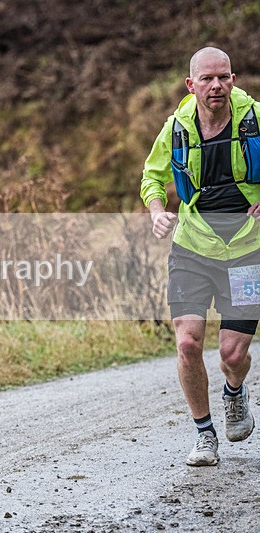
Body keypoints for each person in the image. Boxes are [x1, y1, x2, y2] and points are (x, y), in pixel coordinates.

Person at [141, 46, 260, 466]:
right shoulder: (176, 128)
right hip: (192, 249)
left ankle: (234, 391)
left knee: (232, 354)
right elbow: (151, 176)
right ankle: (204, 434)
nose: (217, 86)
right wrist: (157, 211)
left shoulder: (255, 118)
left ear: (233, 79)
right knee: (188, 343)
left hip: (248, 251)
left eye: (224, 77)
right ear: (191, 85)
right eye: (207, 79)